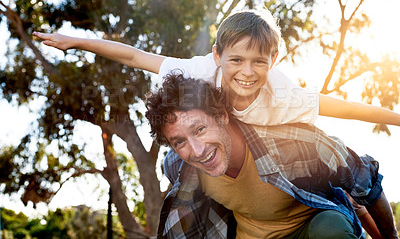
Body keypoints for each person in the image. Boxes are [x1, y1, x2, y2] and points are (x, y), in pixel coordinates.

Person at [33, 9, 399, 236]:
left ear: (273, 60)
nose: (247, 72)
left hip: (264, 145)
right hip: (220, 147)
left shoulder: (283, 97)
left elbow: (345, 108)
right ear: (217, 55)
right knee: (180, 165)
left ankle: (352, 208)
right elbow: (133, 55)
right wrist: (76, 42)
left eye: (259, 62)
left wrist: (396, 118)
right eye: (236, 60)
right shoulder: (198, 72)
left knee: (330, 171)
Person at [144, 73, 398, 238]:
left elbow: (367, 180)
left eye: (200, 129)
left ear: (221, 116)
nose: (197, 151)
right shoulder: (179, 164)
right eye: (180, 142)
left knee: (331, 228)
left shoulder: (295, 142)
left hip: (310, 229)